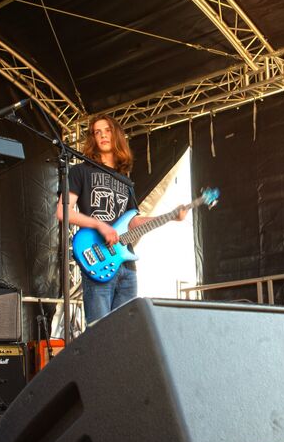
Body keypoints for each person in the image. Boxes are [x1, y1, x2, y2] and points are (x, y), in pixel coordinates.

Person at [56, 115, 187, 324]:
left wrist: (169, 216)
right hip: (98, 260)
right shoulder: (80, 171)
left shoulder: (125, 181)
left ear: (116, 135)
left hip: (126, 265)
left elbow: (133, 222)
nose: (102, 135)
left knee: (126, 335)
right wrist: (100, 225)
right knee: (100, 334)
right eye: (97, 132)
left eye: (107, 130)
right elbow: (63, 212)